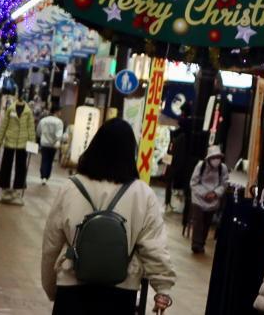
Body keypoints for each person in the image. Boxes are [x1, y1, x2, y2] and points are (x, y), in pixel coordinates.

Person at [40, 119, 176, 314]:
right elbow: (154, 245)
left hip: (72, 288)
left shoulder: (71, 187)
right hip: (120, 293)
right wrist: (163, 288)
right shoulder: (142, 194)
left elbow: (51, 243)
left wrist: (51, 286)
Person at [188, 145, 228, 255]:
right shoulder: (200, 166)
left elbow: (224, 184)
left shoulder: (223, 168)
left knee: (206, 223)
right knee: (198, 222)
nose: (216, 160)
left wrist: (215, 193)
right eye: (214, 157)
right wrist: (205, 193)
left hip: (213, 200)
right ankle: (196, 244)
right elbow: (193, 183)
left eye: (218, 157)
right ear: (209, 158)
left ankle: (201, 243)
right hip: (198, 199)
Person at [0, 96, 38, 203]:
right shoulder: (10, 109)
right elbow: (4, 125)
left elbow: (31, 127)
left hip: (23, 142)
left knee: (21, 167)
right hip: (9, 140)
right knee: (6, 164)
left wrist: (32, 142)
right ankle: (4, 187)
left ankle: (17, 189)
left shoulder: (28, 112)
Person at [37, 106, 66, 181]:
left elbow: (38, 131)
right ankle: (46, 176)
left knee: (44, 159)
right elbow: (59, 135)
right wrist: (59, 140)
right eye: (60, 111)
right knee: (50, 160)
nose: (61, 113)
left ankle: (43, 175)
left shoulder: (43, 120)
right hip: (53, 145)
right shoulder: (59, 122)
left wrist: (41, 137)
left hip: (44, 143)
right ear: (56, 111)